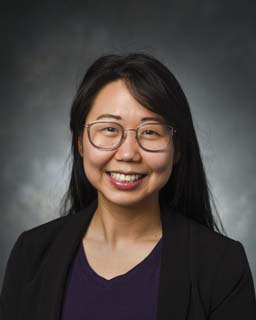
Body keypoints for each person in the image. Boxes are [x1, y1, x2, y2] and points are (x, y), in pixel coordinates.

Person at [0, 53, 256, 320]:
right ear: (80, 142)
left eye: (150, 132)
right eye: (110, 129)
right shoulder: (31, 254)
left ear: (177, 149)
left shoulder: (221, 263)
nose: (128, 154)